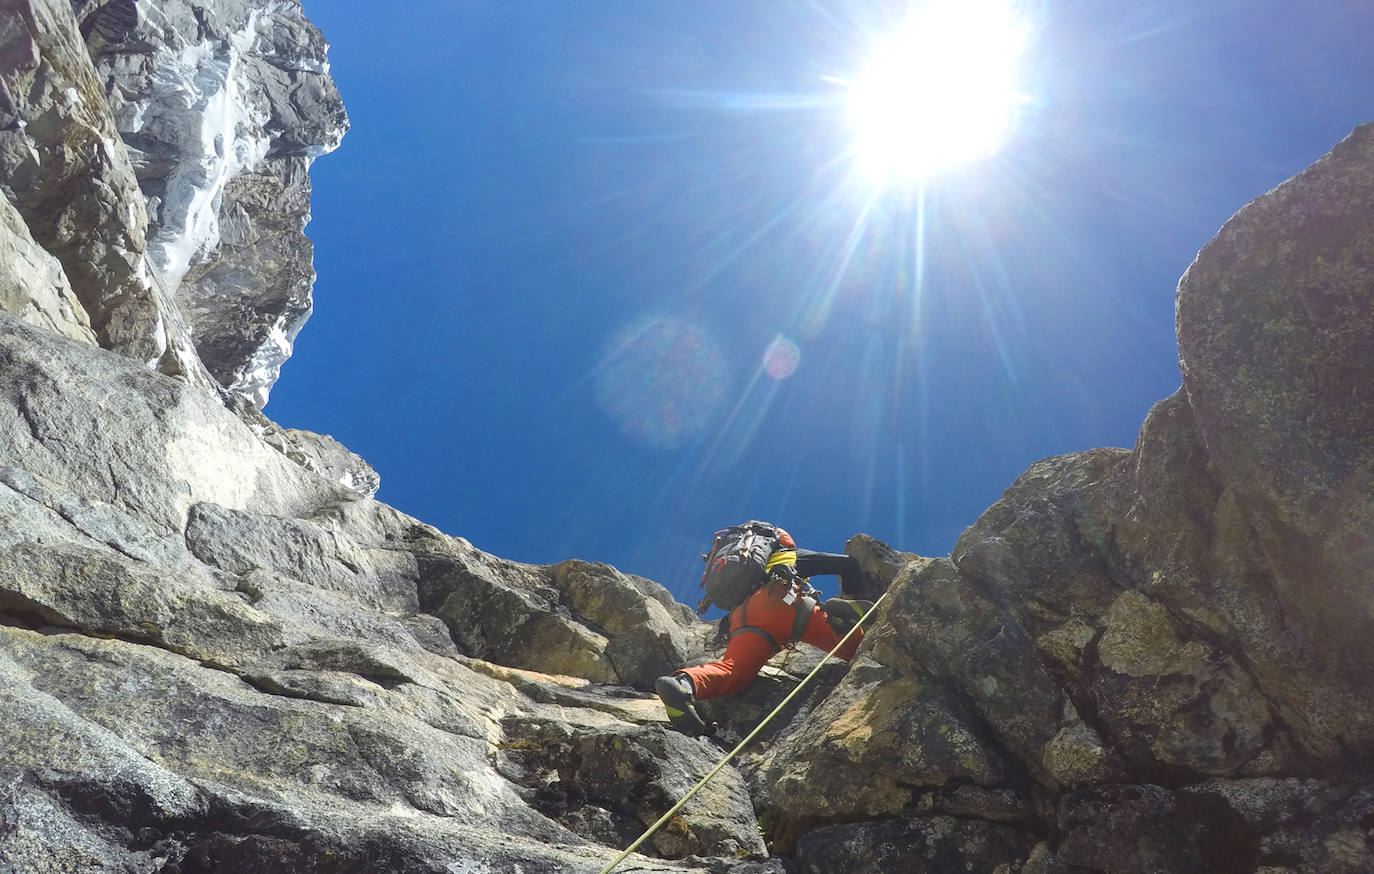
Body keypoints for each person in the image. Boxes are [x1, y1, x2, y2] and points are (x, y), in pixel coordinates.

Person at [656, 524, 874, 736]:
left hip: (743, 617)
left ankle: (684, 685)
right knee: (856, 649)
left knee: (734, 670)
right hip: (782, 599)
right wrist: (851, 594)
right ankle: (842, 616)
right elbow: (846, 564)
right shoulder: (787, 554)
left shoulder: (744, 574)